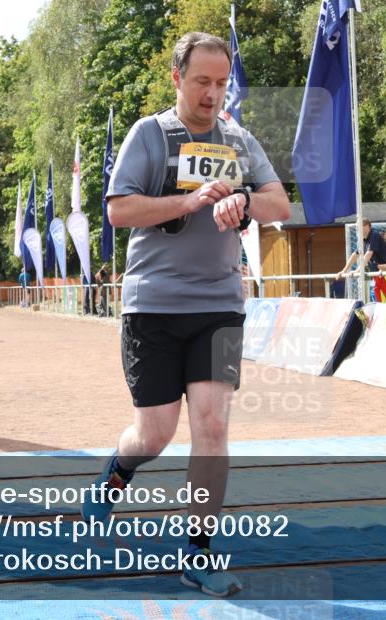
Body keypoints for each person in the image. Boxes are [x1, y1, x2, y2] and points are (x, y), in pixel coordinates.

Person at [83, 31, 290, 598]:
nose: (212, 94)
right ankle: (116, 475)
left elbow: (281, 204)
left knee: (212, 425)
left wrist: (243, 201)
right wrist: (191, 201)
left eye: (221, 83)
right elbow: (120, 209)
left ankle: (198, 550)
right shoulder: (149, 136)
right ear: (177, 78)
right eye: (202, 82)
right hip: (153, 304)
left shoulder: (239, 140)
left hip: (220, 306)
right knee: (154, 433)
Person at [337, 218, 386, 302]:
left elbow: (369, 254)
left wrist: (358, 270)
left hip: (384, 275)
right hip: (376, 275)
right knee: (377, 301)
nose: (357, 230)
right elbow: (355, 255)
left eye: (359, 227)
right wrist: (344, 270)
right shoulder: (364, 239)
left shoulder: (374, 235)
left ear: (366, 226)